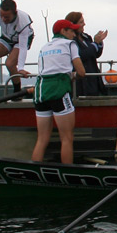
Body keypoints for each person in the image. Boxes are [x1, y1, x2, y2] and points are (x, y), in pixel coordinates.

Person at [32, 19, 85, 164]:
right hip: (59, 91)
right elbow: (81, 72)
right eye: (72, 31)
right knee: (67, 138)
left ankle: (35, 170)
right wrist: (72, 75)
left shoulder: (44, 47)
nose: (74, 34)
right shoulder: (70, 44)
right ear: (63, 31)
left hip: (41, 93)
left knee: (42, 139)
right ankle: (67, 171)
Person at [64, 11, 108, 97]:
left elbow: (95, 54)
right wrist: (95, 43)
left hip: (92, 78)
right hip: (81, 82)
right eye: (81, 22)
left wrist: (99, 43)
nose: (84, 24)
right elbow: (81, 55)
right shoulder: (70, 41)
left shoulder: (86, 37)